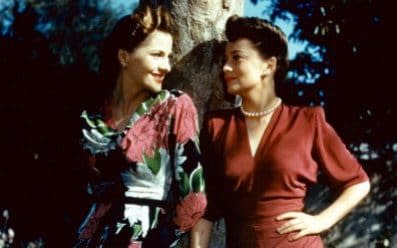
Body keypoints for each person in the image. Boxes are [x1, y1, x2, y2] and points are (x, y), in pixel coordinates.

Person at [191, 15, 370, 248]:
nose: (226, 67)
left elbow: (358, 182)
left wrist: (320, 221)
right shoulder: (217, 126)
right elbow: (207, 208)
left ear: (269, 65)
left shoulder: (307, 121)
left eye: (237, 58)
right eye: (225, 59)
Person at [75, 4, 206, 248]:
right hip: (87, 238)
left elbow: (194, 199)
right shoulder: (90, 115)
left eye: (169, 56)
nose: (167, 65)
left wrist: (161, 239)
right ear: (124, 57)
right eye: (157, 55)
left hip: (142, 238)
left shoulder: (173, 107)